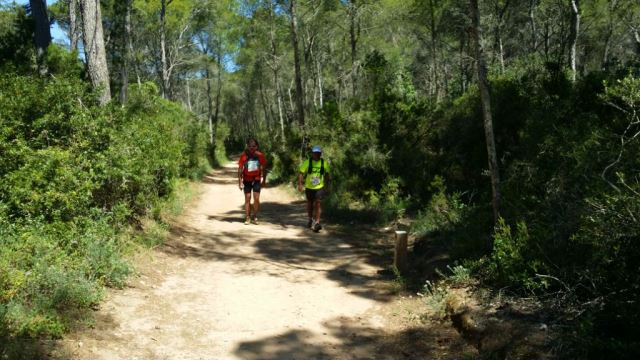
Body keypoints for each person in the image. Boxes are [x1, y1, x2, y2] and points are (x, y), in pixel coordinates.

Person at [298, 145, 331, 232]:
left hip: (319, 187)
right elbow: (301, 173)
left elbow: (327, 175)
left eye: (318, 153)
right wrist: (300, 184)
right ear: (312, 154)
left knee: (318, 203)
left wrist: (328, 186)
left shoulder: (324, 163)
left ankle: (317, 222)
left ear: (320, 154)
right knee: (310, 203)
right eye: (315, 153)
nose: (316, 154)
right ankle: (310, 219)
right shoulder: (307, 162)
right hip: (309, 187)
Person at [238, 138, 267, 225]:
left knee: (256, 199)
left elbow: (264, 168)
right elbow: (240, 169)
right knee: (247, 198)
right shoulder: (243, 156)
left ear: (257, 146)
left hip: (257, 179)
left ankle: (255, 216)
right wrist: (240, 181)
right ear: (247, 146)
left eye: (253, 146)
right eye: (250, 146)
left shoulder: (260, 155)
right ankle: (247, 217)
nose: (251, 148)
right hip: (246, 179)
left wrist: (264, 180)